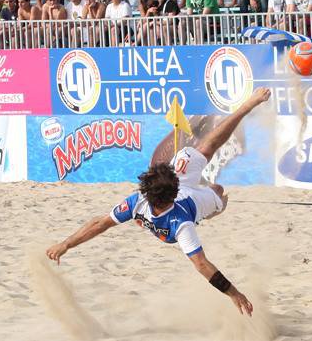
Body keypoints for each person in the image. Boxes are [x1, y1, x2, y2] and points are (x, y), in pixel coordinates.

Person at [46, 87, 272, 316]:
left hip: (181, 200)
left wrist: (65, 245)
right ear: (171, 193)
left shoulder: (151, 207)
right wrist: (234, 293)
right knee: (216, 186)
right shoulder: (170, 217)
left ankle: (246, 107)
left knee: (204, 162)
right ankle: (213, 196)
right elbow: (202, 265)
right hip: (186, 200)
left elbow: (101, 224)